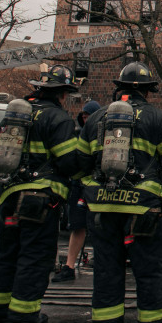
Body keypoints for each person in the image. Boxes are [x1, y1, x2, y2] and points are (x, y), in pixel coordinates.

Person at [78, 61, 162, 323]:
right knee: (149, 267)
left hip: (101, 207)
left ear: (119, 88)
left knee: (107, 267)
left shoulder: (96, 118)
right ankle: (151, 322)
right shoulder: (158, 119)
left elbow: (79, 164)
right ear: (147, 91)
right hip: (143, 208)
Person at [0, 66, 81, 323]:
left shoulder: (15, 115)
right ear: (62, 94)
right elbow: (68, 161)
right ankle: (24, 315)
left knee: (6, 254)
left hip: (8, 195)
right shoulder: (58, 118)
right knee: (35, 256)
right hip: (40, 199)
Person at [53, 99, 101, 283]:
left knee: (99, 227)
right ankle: (69, 266)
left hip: (95, 187)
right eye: (84, 116)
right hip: (79, 186)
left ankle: (101, 261)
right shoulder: (78, 135)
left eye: (89, 116)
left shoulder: (100, 136)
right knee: (77, 226)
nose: (86, 119)